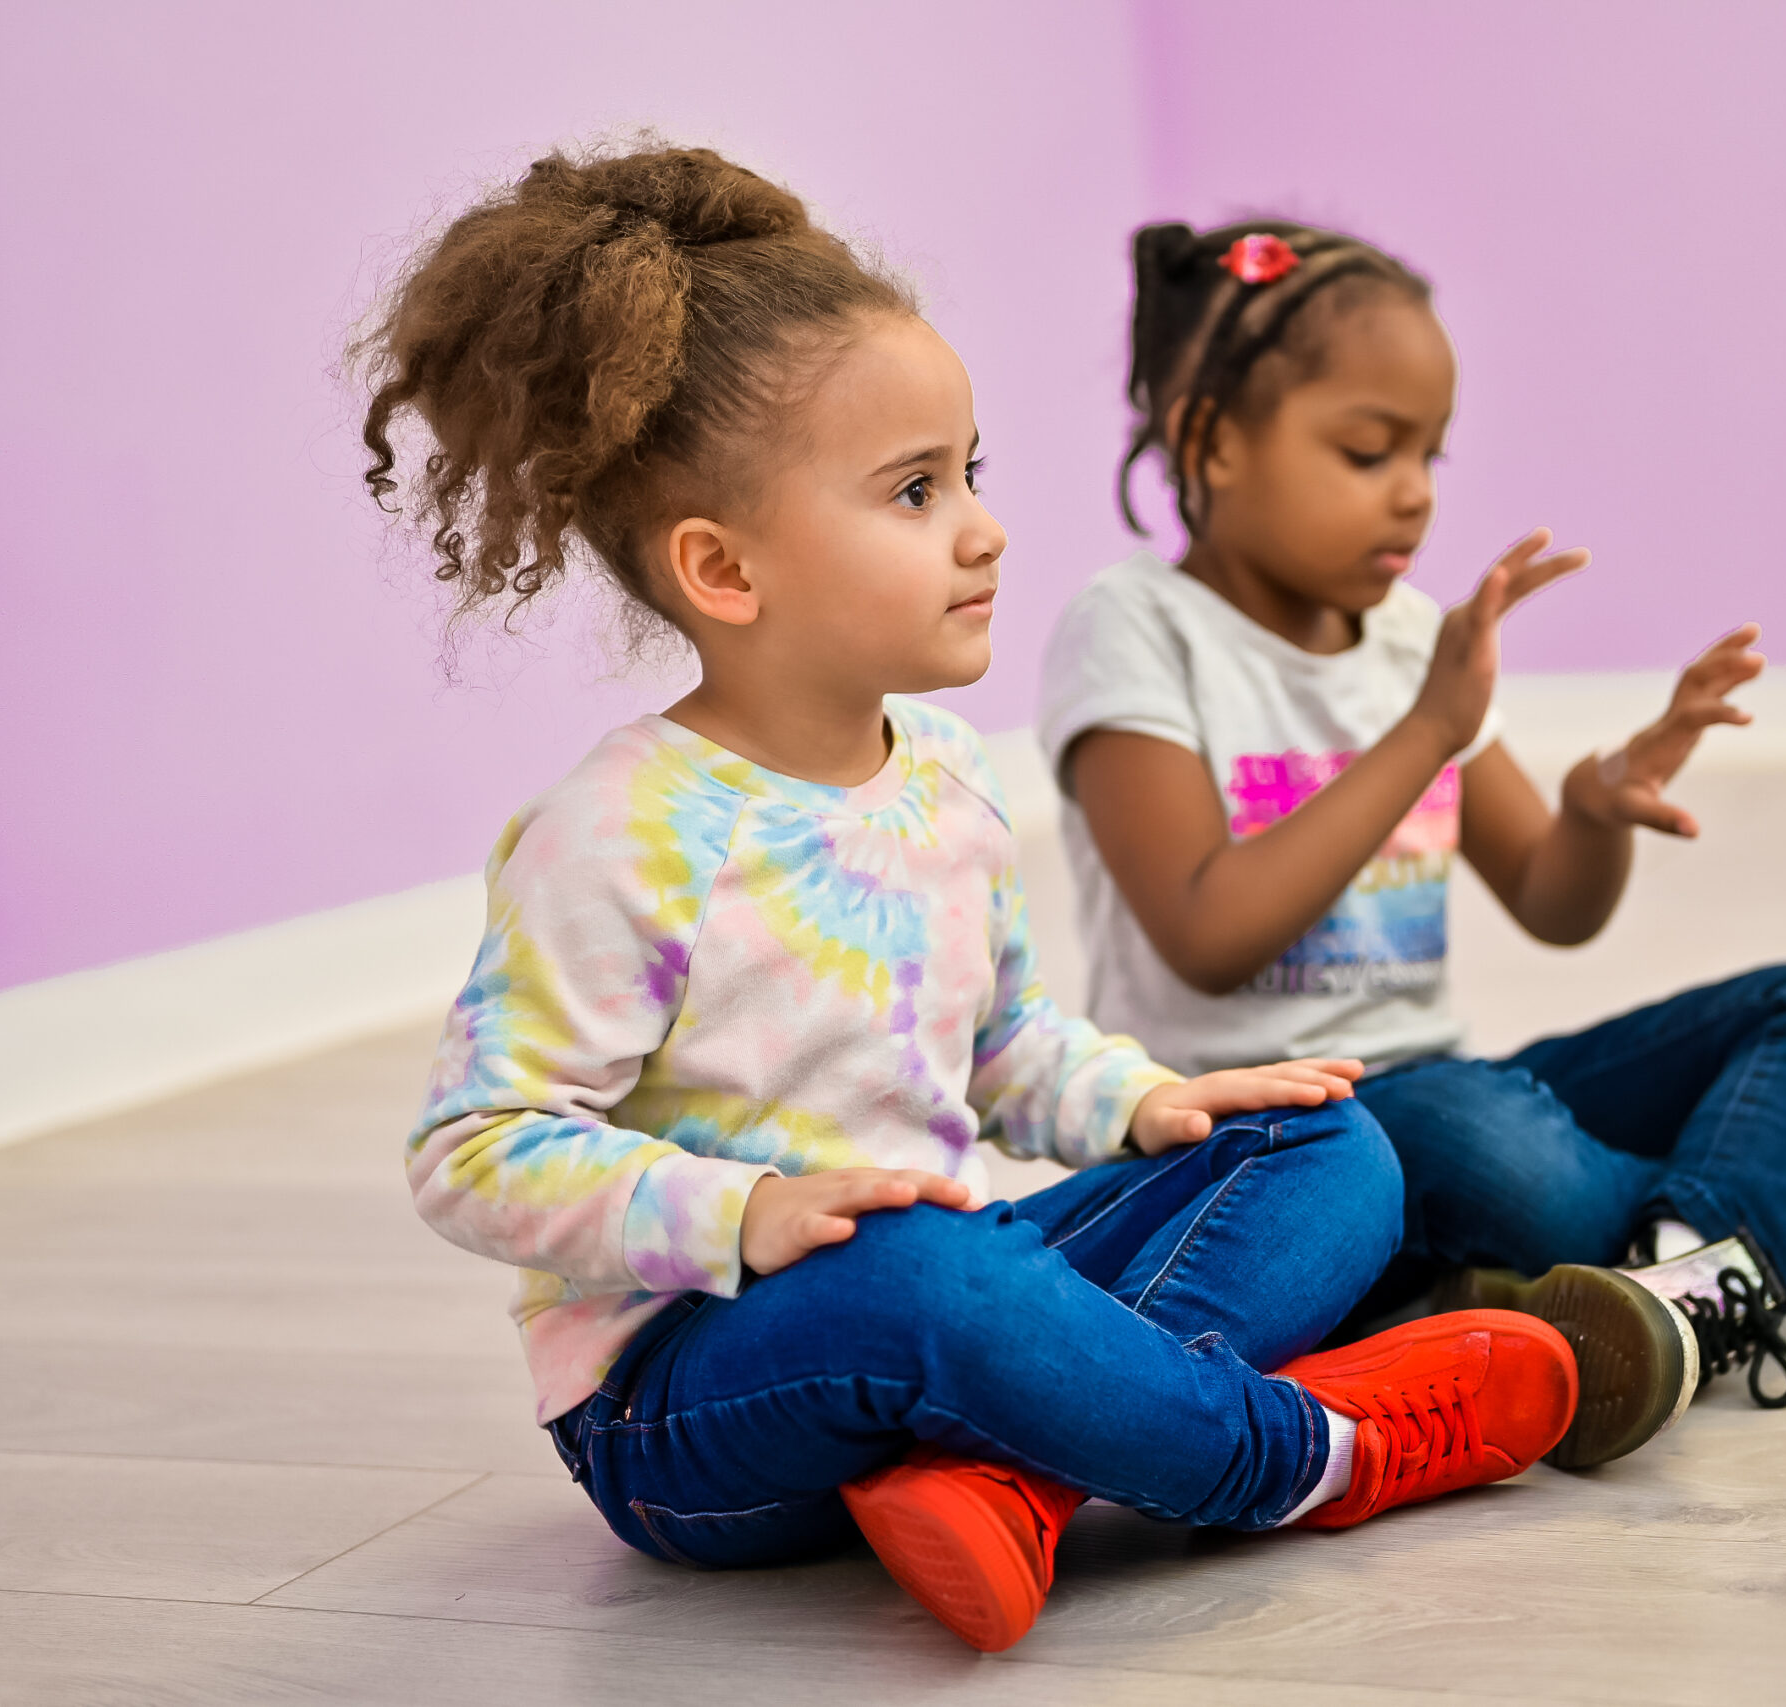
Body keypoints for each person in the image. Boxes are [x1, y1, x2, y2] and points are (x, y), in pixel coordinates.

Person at [366, 147, 1587, 1655]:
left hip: (952, 1289)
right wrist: (747, 1213)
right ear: (723, 567)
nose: (985, 526)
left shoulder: (941, 774)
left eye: (973, 472)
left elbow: (1005, 1042)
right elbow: (470, 1147)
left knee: (1334, 1137)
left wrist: (1152, 1105)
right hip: (695, 1394)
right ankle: (1308, 1452)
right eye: (914, 490)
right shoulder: (621, 829)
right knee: (919, 1276)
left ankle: (1019, 1476)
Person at [1039, 220, 1786, 1441]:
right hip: (1283, 1142)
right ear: (1211, 437)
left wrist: (1596, 809)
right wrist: (1426, 731)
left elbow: (1554, 899)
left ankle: (1681, 1262)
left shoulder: (1403, 640)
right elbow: (1205, 930)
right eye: (1366, 449)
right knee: (1455, 1130)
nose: (1413, 494)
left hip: (1463, 1088)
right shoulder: (1134, 628)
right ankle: (1775, 1206)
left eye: (1431, 455)